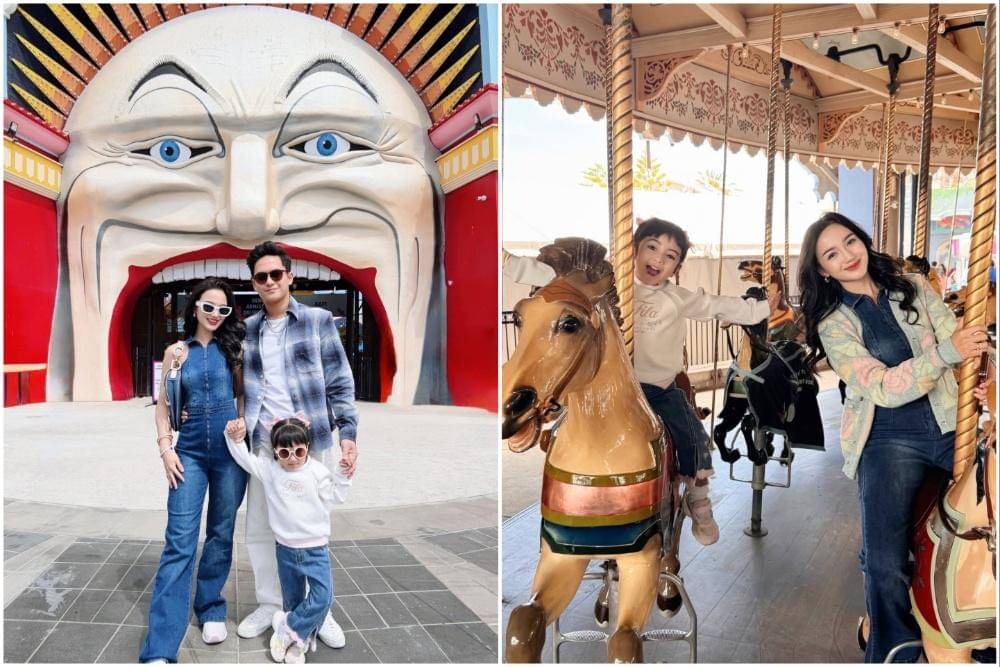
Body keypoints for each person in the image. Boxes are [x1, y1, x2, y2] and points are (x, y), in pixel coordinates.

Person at [504, 219, 774, 544]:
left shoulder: (678, 298)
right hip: (606, 389)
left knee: (693, 437)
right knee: (564, 425)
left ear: (676, 268)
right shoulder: (607, 287)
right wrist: (507, 262)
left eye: (670, 256)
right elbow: (550, 277)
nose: (659, 259)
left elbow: (717, 305)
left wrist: (762, 307)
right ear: (633, 251)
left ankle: (698, 500)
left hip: (658, 390)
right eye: (652, 247)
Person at [797, 212, 988, 663]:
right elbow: (881, 386)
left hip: (951, 420)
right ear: (823, 270)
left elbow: (958, 341)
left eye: (850, 241)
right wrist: (946, 354)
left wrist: (979, 378)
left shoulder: (914, 287)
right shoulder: (835, 322)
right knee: (885, 560)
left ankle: (979, 631)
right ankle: (894, 648)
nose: (847, 255)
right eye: (832, 254)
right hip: (888, 435)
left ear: (863, 240)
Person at [235, 241, 359, 648]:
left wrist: (348, 435)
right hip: (264, 445)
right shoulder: (248, 329)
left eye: (276, 274)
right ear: (254, 283)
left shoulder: (318, 321)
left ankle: (317, 610)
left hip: (311, 442)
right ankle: (271, 604)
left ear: (289, 276)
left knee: (312, 526)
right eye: (261, 276)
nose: (269, 281)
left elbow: (340, 381)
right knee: (259, 527)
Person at [140, 278, 249, 663]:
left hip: (229, 453)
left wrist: (242, 422)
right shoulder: (176, 352)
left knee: (221, 532)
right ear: (195, 307)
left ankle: (211, 607)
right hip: (188, 454)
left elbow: (243, 397)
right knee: (179, 540)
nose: (215, 315)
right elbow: (162, 407)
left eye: (223, 310)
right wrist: (165, 449)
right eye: (209, 307)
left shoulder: (234, 349)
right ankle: (161, 645)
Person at [224, 417, 350, 664]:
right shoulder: (271, 470)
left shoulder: (317, 471)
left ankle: (287, 626)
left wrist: (343, 473)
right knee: (292, 601)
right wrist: (234, 439)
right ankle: (296, 645)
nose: (292, 458)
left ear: (307, 448)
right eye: (284, 452)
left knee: (322, 597)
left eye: (299, 451)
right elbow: (245, 459)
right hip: (285, 550)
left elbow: (336, 495)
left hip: (316, 549)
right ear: (275, 451)